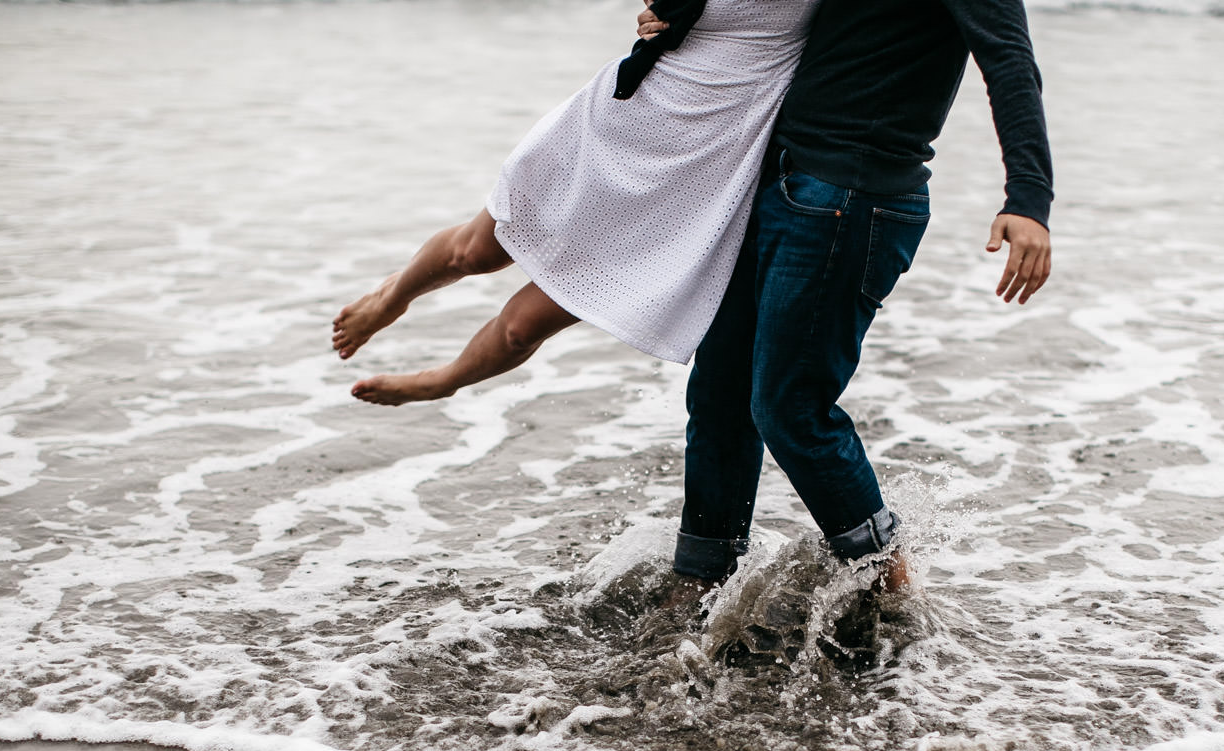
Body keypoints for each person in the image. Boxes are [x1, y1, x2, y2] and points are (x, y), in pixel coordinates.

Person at [640, 0, 1053, 595]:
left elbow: (1010, 61)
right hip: (771, 178)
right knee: (719, 395)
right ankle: (700, 582)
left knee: (790, 408)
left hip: (851, 196)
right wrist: (680, 17)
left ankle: (890, 589)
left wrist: (1028, 201)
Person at [331, 0, 821, 405]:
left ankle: (444, 380)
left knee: (524, 326)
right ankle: (391, 298)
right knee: (477, 251)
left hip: (705, 166)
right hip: (628, 115)